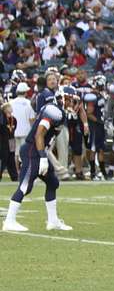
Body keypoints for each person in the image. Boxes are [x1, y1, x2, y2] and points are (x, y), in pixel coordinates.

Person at [3, 86, 77, 232]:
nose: (71, 104)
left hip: (38, 151)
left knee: (53, 182)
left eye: (73, 101)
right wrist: (43, 157)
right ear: (61, 98)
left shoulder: (57, 110)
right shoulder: (54, 111)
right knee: (25, 186)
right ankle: (9, 221)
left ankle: (53, 221)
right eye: (68, 100)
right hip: (33, 152)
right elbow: (39, 134)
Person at [10, 82, 34, 167]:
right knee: (25, 152)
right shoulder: (28, 103)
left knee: (17, 151)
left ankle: (18, 172)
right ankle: (25, 170)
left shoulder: (11, 102)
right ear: (25, 92)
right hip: (26, 130)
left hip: (14, 130)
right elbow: (31, 119)